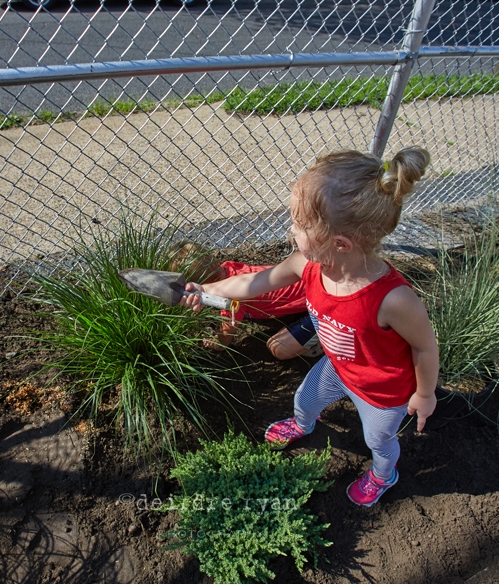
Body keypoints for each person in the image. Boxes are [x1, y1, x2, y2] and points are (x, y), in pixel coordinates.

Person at [180, 148, 440, 507]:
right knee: (304, 399)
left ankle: (383, 473)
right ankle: (304, 424)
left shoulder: (392, 300)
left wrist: (424, 395)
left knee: (377, 439)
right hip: (337, 366)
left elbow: (425, 347)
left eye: (300, 225)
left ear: (340, 243)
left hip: (383, 391)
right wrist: (205, 290)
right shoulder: (307, 264)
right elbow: (253, 284)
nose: (291, 230)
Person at [168, 241, 321, 359]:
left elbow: (224, 340)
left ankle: (324, 341)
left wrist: (216, 341)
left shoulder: (232, 299)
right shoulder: (229, 268)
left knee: (277, 347)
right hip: (308, 285)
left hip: (320, 305)